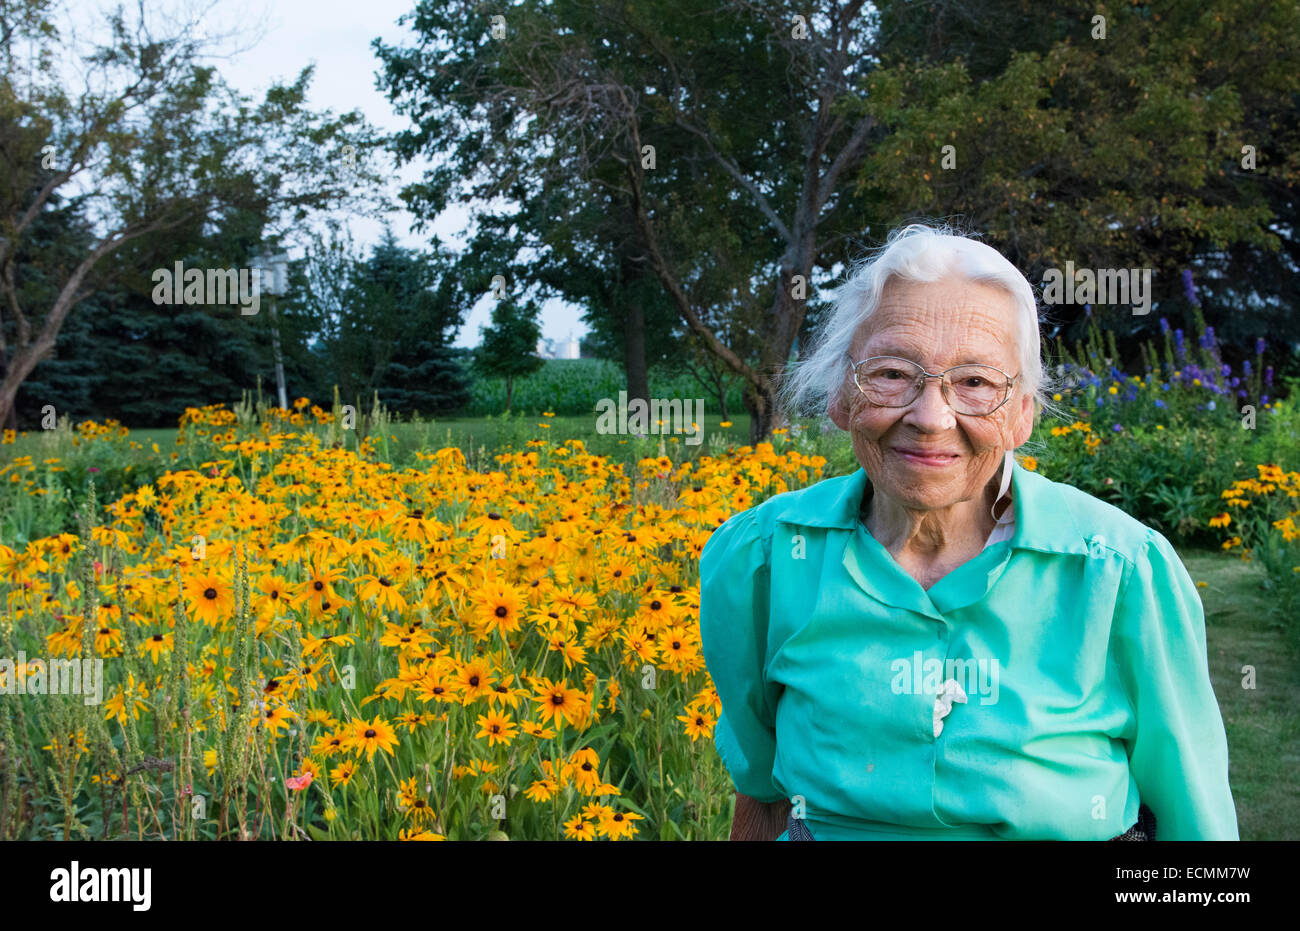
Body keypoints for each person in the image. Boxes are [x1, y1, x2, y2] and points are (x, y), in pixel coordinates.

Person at [698, 223, 1238, 841]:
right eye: (891, 374)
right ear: (841, 397)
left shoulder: (1118, 570)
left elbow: (1195, 821)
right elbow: (761, 793)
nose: (930, 418)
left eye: (977, 383)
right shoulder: (763, 559)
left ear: (1022, 415)